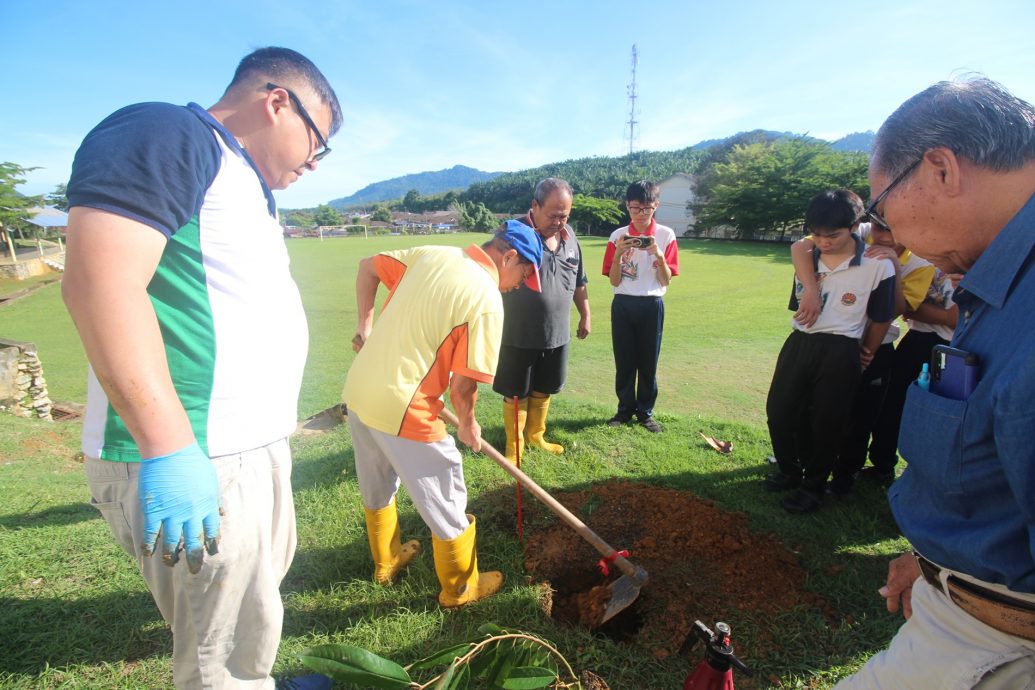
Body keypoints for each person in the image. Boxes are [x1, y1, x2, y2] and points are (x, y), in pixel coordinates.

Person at [62, 48, 342, 690]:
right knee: (218, 650)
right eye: (317, 142)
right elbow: (99, 282)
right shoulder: (169, 132)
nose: (313, 163)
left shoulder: (248, 184)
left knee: (251, 607)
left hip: (249, 446)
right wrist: (167, 446)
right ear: (277, 102)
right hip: (197, 451)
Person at [834, 77, 1035, 689]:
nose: (887, 233)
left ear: (941, 169)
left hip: (996, 649)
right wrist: (938, 565)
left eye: (881, 208)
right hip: (961, 613)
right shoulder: (999, 285)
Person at [343, 221, 543, 607]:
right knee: (448, 497)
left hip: (359, 389)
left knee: (377, 482)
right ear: (509, 256)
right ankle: (460, 590)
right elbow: (463, 387)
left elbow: (367, 266)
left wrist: (364, 327)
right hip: (405, 406)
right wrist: (468, 425)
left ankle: (386, 563)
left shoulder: (433, 254)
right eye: (524, 273)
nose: (521, 283)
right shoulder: (486, 299)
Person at [763, 190, 896, 514]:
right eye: (818, 234)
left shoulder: (878, 265)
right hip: (801, 341)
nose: (823, 241)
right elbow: (800, 294)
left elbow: (881, 316)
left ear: (855, 225)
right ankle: (789, 471)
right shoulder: (807, 255)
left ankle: (814, 488)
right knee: (779, 411)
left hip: (841, 347)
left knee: (828, 422)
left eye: (832, 235)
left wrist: (867, 351)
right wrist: (810, 288)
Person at [791, 221, 934, 495]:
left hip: (876, 345)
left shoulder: (920, 261)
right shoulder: (857, 232)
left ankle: (845, 474)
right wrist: (810, 289)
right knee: (814, 406)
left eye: (891, 230)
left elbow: (897, 310)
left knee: (859, 414)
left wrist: (893, 269)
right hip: (832, 341)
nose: (882, 237)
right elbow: (803, 246)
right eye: (879, 229)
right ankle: (806, 464)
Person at [493, 178, 591, 462]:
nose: (559, 222)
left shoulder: (570, 237)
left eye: (565, 215)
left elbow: (579, 281)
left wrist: (586, 313)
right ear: (534, 206)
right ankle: (515, 448)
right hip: (517, 332)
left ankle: (536, 435)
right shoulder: (511, 234)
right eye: (553, 215)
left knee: (544, 387)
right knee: (516, 392)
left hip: (556, 332)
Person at [860, 266, 957, 484]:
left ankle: (930, 477)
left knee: (944, 414)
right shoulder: (925, 262)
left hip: (955, 347)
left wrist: (921, 311)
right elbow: (905, 308)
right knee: (891, 406)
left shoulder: (977, 264)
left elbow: (960, 319)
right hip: (916, 339)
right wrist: (943, 316)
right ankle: (882, 466)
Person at [601, 180, 680, 432]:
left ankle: (645, 413)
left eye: (646, 209)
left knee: (648, 362)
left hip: (651, 303)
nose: (641, 214)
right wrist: (618, 255)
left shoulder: (666, 235)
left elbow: (667, 279)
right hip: (623, 302)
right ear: (627, 206)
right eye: (635, 208)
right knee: (624, 361)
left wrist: (657, 254)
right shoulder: (617, 236)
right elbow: (613, 280)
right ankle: (624, 411)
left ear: (656, 206)